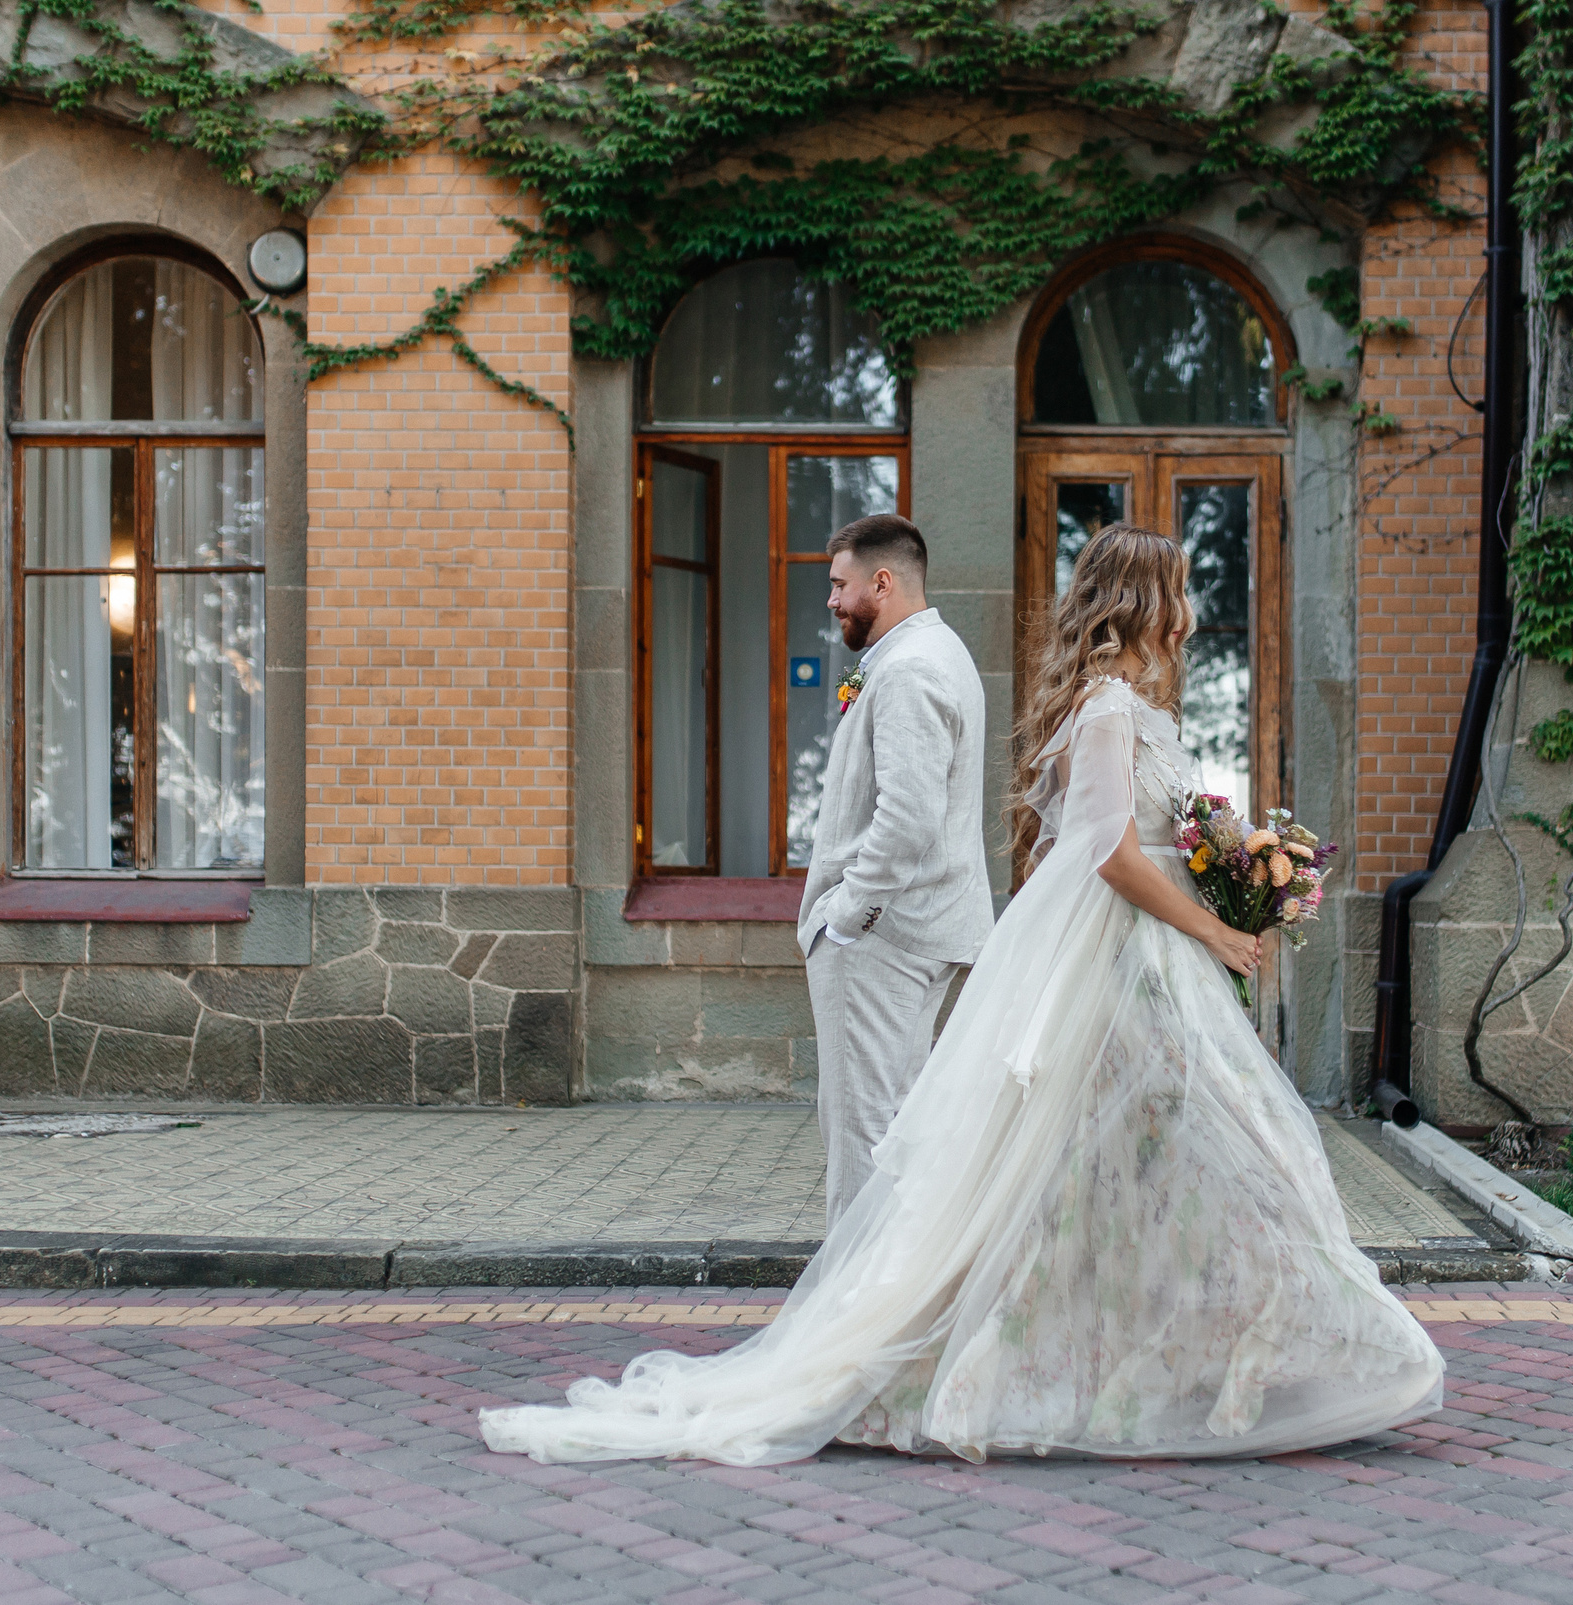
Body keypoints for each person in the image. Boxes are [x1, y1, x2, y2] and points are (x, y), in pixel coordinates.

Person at [482, 522, 1444, 1466]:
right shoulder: (1103, 707)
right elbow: (1106, 851)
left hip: (1147, 959)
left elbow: (1141, 838)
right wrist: (1215, 926)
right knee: (1113, 1156)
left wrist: (1231, 875)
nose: (1192, 612)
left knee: (1174, 1154)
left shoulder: (1125, 707)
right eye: (1182, 591)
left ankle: (1208, 1351)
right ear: (1145, 602)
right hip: (1119, 955)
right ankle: (945, 1346)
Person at [795, 514, 994, 1227]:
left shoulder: (909, 671)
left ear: (883, 581)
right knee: (898, 1132)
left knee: (861, 1134)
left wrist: (848, 916)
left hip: (884, 939)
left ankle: (851, 1311)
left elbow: (907, 819)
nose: (832, 600)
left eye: (839, 584)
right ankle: (890, 1302)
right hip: (924, 929)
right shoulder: (942, 652)